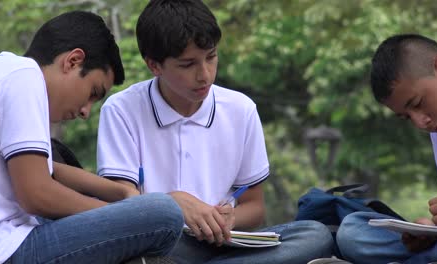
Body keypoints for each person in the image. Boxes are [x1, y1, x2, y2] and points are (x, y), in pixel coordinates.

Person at [96, 1, 333, 263]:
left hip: (223, 244)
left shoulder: (240, 110)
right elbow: (121, 209)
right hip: (160, 243)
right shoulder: (121, 110)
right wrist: (171, 204)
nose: (205, 75)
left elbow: (255, 208)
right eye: (188, 65)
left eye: (211, 57)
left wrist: (231, 219)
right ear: (154, 65)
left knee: (315, 235)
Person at [0, 10, 184, 264]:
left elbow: (48, 171)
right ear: (73, 61)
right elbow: (36, 194)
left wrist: (121, 193)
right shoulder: (23, 77)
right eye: (92, 92)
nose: (86, 111)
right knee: (164, 213)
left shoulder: (0, 72)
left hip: (2, 241)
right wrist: (122, 216)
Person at [334, 34, 437, 264]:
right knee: (353, 233)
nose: (420, 122)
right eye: (406, 117)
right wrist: (430, 229)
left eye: (417, 104)